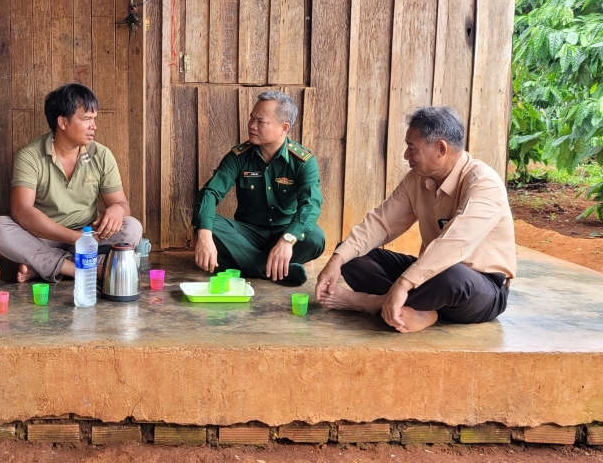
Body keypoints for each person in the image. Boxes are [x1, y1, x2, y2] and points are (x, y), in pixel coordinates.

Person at [314, 106, 515, 333]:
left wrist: (404, 283)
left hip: (480, 289)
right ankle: (418, 309)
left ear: (441, 148)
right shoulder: (416, 180)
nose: (405, 155)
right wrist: (335, 261)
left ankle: (372, 303)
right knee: (351, 254)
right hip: (428, 279)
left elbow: (454, 244)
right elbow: (382, 223)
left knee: (451, 274)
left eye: (412, 147)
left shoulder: (484, 183)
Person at [0, 83, 142, 282]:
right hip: (43, 237)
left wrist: (118, 210)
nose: (94, 126)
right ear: (62, 122)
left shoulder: (101, 154)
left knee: (132, 227)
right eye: (86, 119)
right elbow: (21, 211)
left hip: (90, 234)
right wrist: (74, 238)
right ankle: (82, 270)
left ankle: (46, 266)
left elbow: (121, 204)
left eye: (94, 119)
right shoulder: (30, 156)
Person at [192, 91, 325, 285]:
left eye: (261, 122)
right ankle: (274, 270)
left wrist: (288, 240)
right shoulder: (239, 156)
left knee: (316, 237)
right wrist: (203, 236)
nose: (252, 126)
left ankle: (241, 263)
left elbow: (311, 205)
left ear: (284, 128)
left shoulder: (303, 161)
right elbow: (210, 193)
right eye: (251, 118)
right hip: (246, 235)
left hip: (284, 231)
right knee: (208, 224)